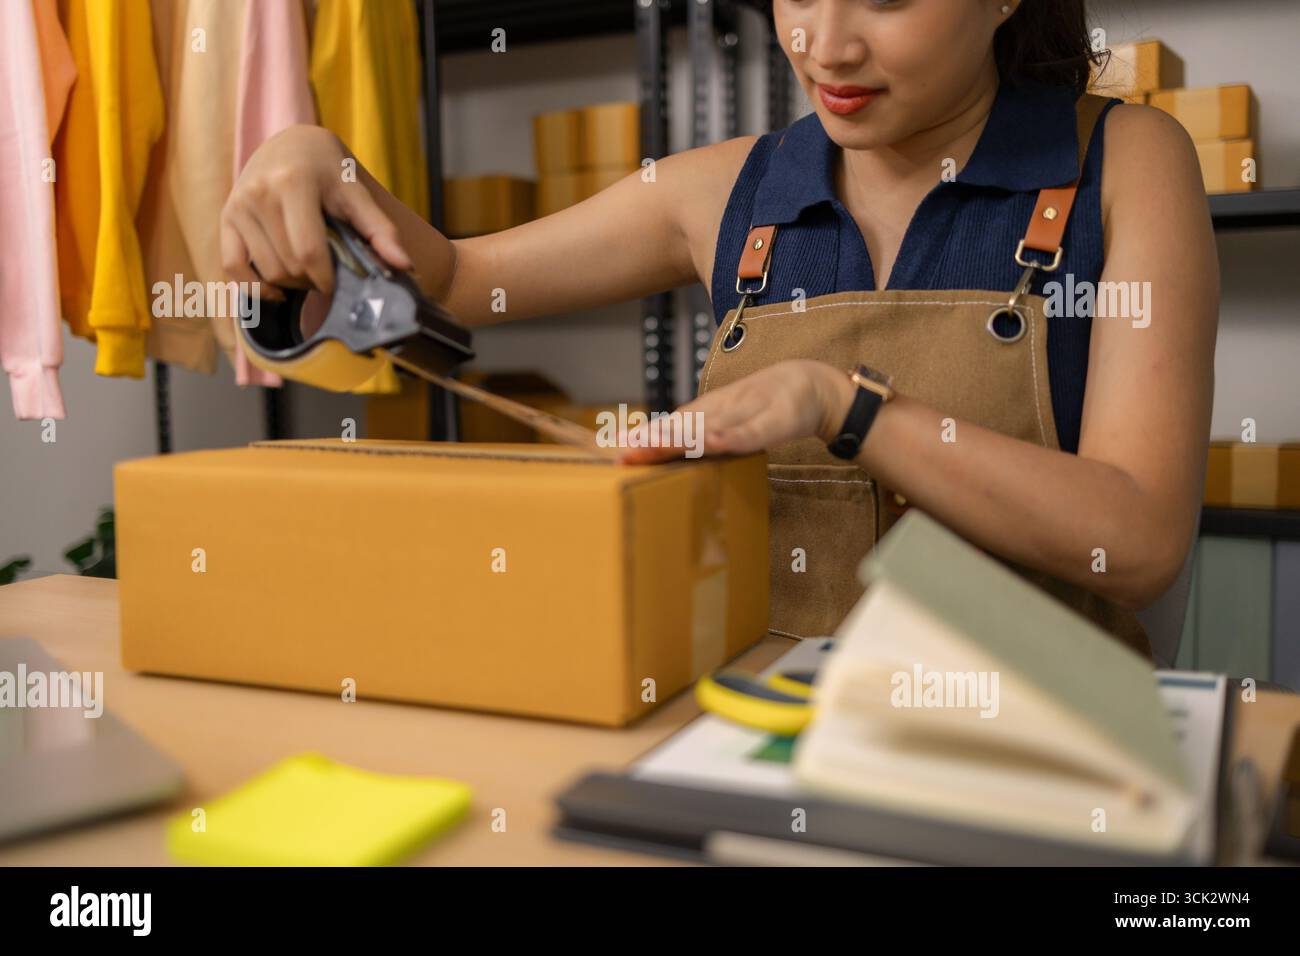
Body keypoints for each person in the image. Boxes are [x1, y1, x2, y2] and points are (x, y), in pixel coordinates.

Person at [221, 0, 1218, 660]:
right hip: (756, 739)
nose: (824, 45)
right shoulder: (723, 189)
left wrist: (842, 404)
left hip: (1037, 756)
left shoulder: (1126, 161)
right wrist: (316, 162)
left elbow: (1134, 541)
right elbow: (450, 276)